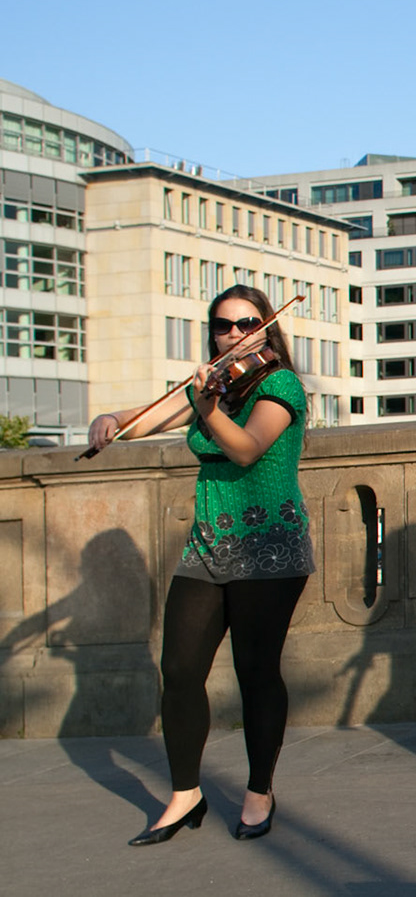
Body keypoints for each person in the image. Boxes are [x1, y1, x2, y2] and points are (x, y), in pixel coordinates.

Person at [86, 286, 313, 845]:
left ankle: (259, 791)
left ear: (266, 328)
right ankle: (186, 794)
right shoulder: (213, 383)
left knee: (255, 673)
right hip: (207, 546)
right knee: (181, 670)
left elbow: (245, 448)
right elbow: (151, 416)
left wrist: (206, 407)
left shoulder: (279, 384)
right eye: (222, 325)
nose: (233, 334)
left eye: (245, 323)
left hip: (269, 548)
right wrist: (113, 418)